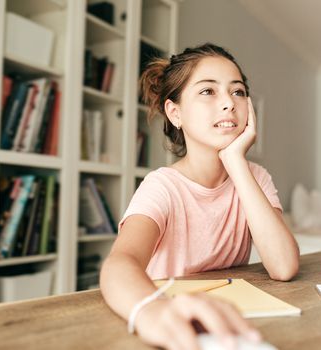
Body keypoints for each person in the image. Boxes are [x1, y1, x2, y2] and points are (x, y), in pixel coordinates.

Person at [100, 43, 300, 350]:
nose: (229, 104)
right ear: (175, 113)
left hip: (227, 321)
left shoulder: (256, 178)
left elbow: (284, 266)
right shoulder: (162, 186)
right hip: (171, 326)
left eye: (238, 92)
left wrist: (235, 162)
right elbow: (119, 264)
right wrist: (154, 312)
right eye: (208, 91)